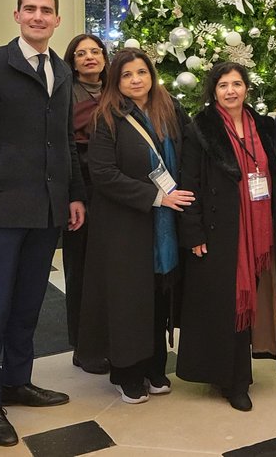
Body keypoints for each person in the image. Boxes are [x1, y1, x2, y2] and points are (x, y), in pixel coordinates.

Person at [0, 0, 86, 447]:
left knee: (29, 304)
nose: (37, 17)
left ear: (57, 20)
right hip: (0, 210)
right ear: (16, 15)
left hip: (48, 209)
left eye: (46, 11)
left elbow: (66, 141)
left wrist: (73, 195)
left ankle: (16, 380)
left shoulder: (62, 70)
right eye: (29, 9)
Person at [77, 48, 193, 405]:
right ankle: (126, 372)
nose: (136, 80)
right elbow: (103, 175)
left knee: (159, 293)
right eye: (127, 75)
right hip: (125, 225)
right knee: (129, 300)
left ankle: (155, 366)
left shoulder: (169, 111)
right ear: (117, 80)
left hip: (165, 226)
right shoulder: (107, 119)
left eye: (141, 72)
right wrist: (156, 197)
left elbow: (193, 151)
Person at [177, 62, 276, 411]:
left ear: (247, 89)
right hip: (218, 232)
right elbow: (188, 183)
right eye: (223, 85)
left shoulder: (263, 127)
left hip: (257, 231)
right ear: (214, 92)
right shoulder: (200, 130)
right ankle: (232, 381)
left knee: (249, 298)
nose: (231, 91)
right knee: (226, 305)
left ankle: (239, 372)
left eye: (237, 83)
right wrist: (192, 231)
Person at [61, 34, 109, 373]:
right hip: (80, 183)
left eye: (95, 51)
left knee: (110, 268)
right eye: (81, 53)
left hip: (114, 187)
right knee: (81, 268)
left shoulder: (116, 90)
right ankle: (83, 345)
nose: (89, 57)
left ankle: (109, 337)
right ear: (72, 61)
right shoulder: (64, 92)